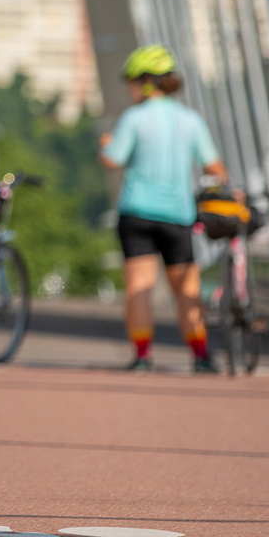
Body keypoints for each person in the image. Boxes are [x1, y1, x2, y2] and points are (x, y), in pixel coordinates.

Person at [99, 44, 229, 374]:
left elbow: (113, 159)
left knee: (139, 287)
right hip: (179, 215)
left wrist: (104, 144)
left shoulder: (134, 117)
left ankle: (143, 356)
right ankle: (200, 356)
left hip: (137, 212)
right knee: (187, 290)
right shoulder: (190, 119)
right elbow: (216, 169)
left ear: (142, 82)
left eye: (130, 82)